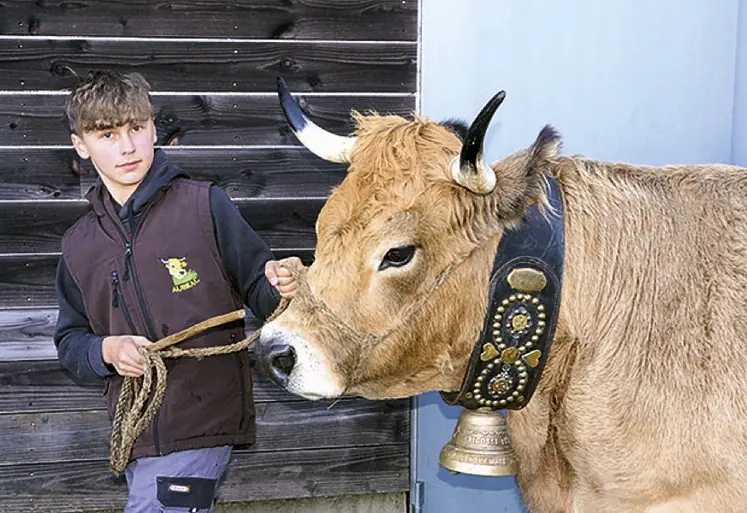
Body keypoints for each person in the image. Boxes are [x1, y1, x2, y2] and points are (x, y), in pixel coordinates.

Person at [54, 69, 301, 512]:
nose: (127, 146)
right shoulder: (78, 245)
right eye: (108, 135)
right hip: (136, 428)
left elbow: (260, 290)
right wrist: (107, 350)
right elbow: (71, 342)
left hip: (203, 414)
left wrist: (281, 285)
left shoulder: (204, 205)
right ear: (81, 146)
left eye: (137, 128)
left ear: (153, 128)